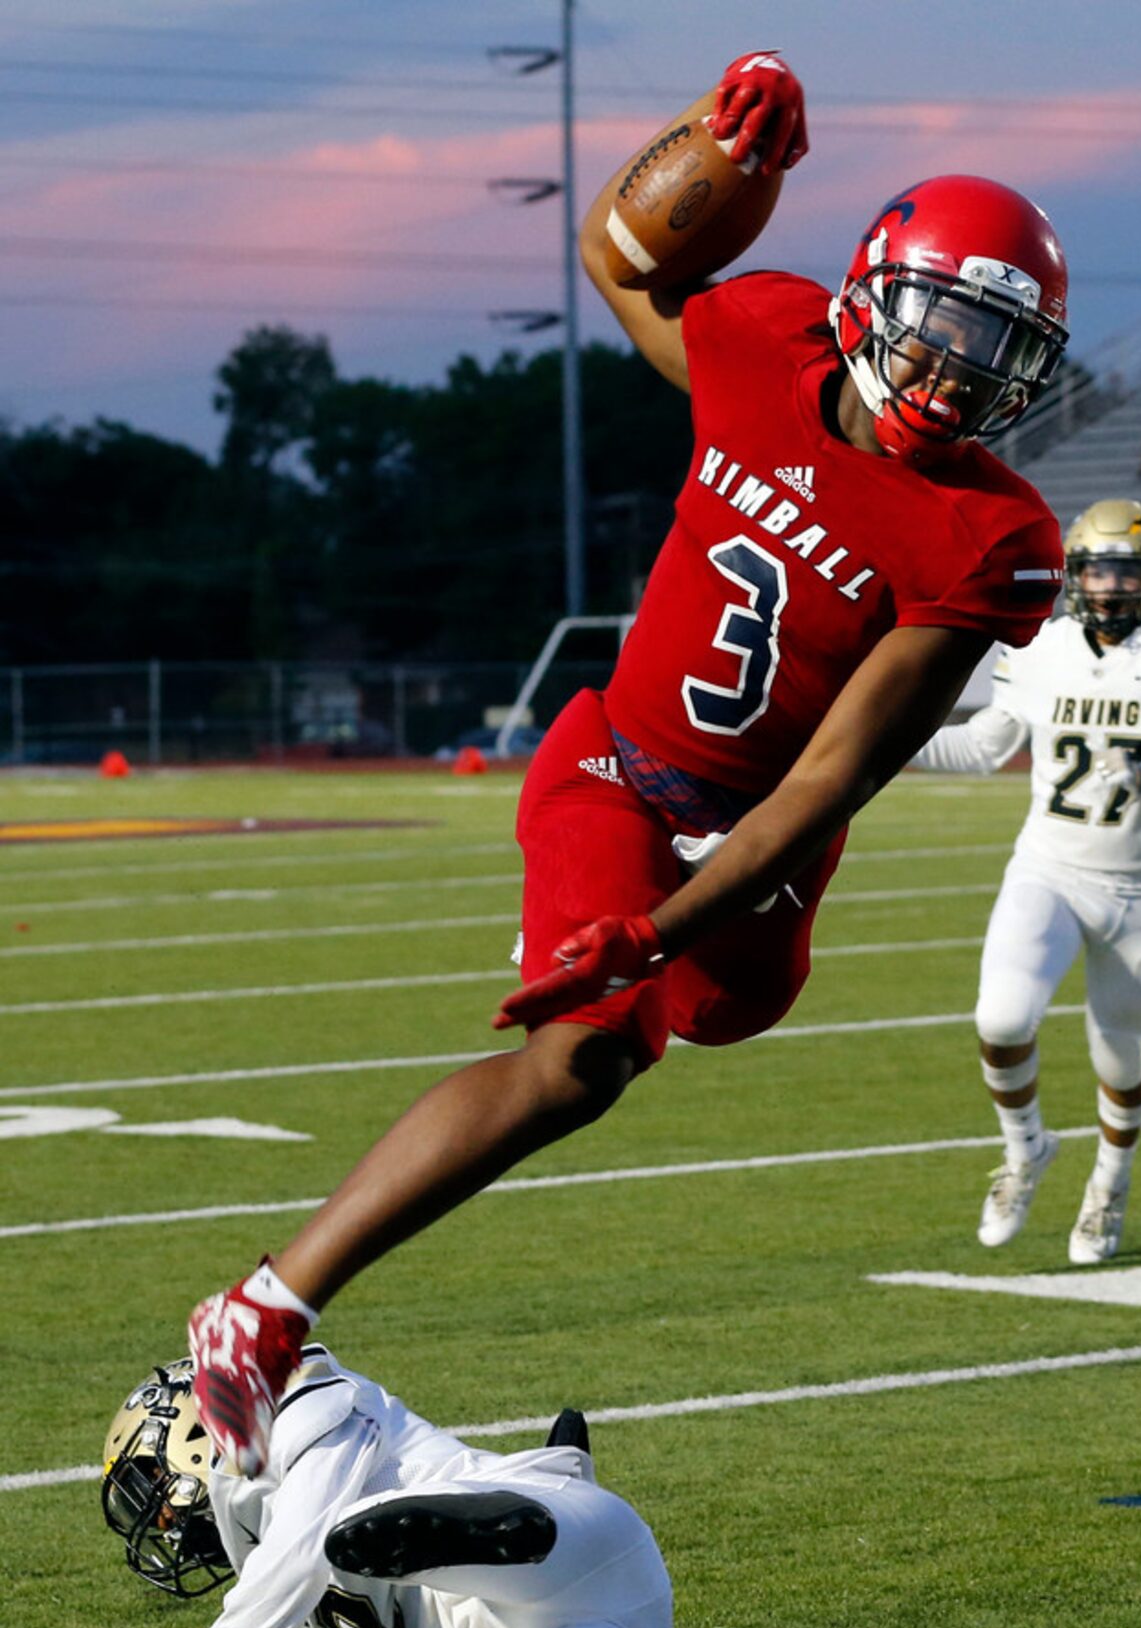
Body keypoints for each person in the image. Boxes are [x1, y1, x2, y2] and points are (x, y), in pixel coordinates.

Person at [187, 48, 1071, 1477]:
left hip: (756, 838)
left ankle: (637, 973)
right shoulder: (762, 344)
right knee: (581, 1060)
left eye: (993, 354)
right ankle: (266, 1306)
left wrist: (661, 924)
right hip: (616, 768)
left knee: (724, 1009)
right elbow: (617, 255)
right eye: (943, 329)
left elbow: (821, 787)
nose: (955, 373)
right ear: (869, 294)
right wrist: (731, 147)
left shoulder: (990, 541)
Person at [66, 1349, 897, 1628]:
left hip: (572, 1554)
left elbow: (294, 1561)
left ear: (195, 1438)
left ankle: (532, 1502)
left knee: (354, 1540)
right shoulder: (274, 1577)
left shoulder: (304, 1407)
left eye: (151, 1488)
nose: (162, 1523)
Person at [909, 498, 1141, 1262]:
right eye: (1097, 567)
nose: (1110, 585)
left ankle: (1109, 1185)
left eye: (1127, 569)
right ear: (1073, 574)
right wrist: (878, 746)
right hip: (1049, 869)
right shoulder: (1040, 647)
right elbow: (980, 748)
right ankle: (1026, 1150)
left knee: (1120, 1056)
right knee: (1001, 1018)